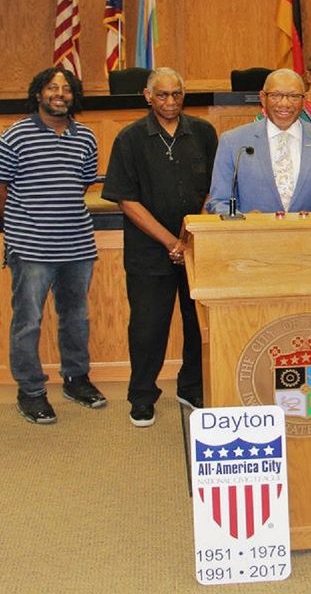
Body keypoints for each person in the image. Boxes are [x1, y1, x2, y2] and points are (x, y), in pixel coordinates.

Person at [0, 66, 106, 425]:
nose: (59, 94)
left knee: (76, 318)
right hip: (31, 247)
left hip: (77, 245)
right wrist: (22, 225)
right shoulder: (15, 135)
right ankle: (31, 390)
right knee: (28, 321)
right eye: (52, 88)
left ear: (74, 96)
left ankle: (76, 379)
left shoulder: (86, 137)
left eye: (66, 89)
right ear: (38, 94)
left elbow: (84, 183)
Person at [101, 67, 217, 428]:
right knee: (148, 327)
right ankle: (142, 395)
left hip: (197, 247)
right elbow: (127, 200)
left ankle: (192, 386)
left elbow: (214, 189)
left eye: (177, 94)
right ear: (148, 96)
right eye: (162, 95)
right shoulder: (130, 138)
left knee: (198, 324)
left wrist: (188, 237)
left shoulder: (203, 132)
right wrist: (170, 241)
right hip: (149, 251)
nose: (170, 101)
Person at [206, 68, 311, 214]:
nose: (285, 103)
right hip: (252, 237)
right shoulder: (233, 142)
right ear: (262, 98)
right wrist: (244, 221)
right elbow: (219, 202)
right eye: (276, 95)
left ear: (304, 100)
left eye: (294, 96)